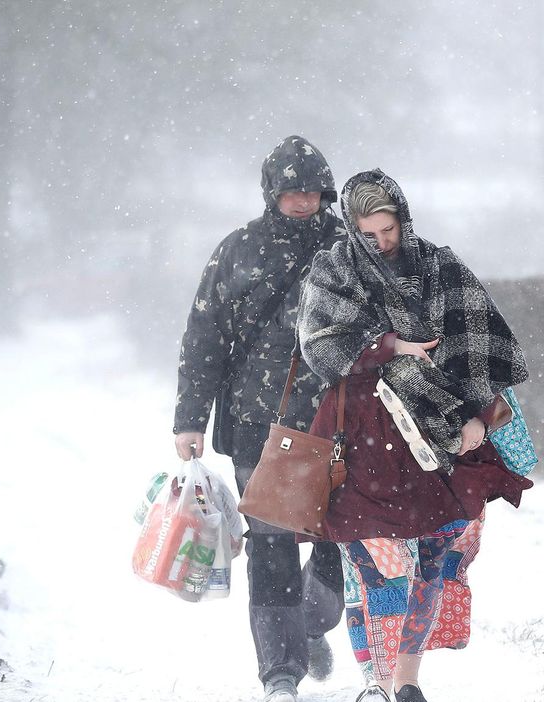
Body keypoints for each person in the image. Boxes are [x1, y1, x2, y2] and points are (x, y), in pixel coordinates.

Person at [297, 169, 533, 702]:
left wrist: (473, 413)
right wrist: (388, 347)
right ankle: (375, 683)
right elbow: (319, 346)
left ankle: (408, 681)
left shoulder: (440, 265)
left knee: (434, 552)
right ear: (352, 228)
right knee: (366, 562)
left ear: (404, 219)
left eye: (390, 229)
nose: (383, 242)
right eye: (369, 233)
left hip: (439, 430)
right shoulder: (333, 270)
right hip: (361, 433)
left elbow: (476, 341)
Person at [172, 135, 348, 702]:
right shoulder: (239, 250)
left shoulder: (351, 248)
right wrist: (189, 418)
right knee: (272, 542)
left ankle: (313, 621)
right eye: (292, 191)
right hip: (259, 423)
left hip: (339, 418)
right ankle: (279, 673)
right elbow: (205, 337)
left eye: (312, 191)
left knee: (340, 535)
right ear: (272, 193)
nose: (303, 201)